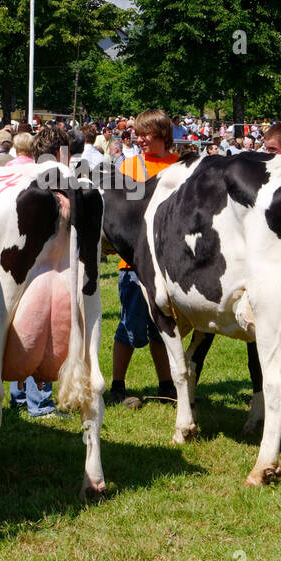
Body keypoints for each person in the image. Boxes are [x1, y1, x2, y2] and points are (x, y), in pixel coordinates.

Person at [110, 109, 180, 407]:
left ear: (163, 134)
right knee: (129, 327)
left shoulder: (179, 167)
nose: (139, 139)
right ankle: (117, 386)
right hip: (134, 263)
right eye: (137, 134)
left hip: (170, 263)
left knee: (163, 326)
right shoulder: (129, 166)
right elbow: (120, 213)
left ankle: (166, 386)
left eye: (145, 134)